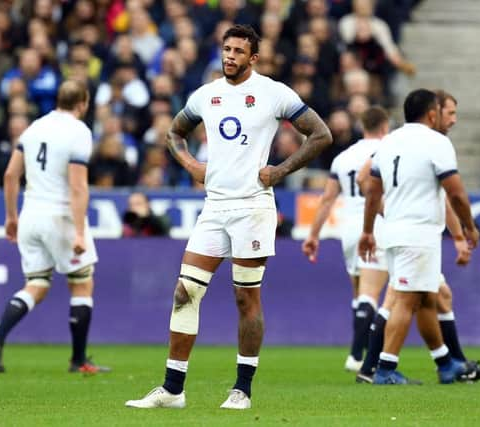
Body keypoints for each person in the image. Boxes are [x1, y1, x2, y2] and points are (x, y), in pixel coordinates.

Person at [125, 25, 331, 409]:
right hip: (215, 208)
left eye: (238, 51)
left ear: (254, 58)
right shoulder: (207, 95)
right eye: (226, 49)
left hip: (252, 207)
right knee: (185, 291)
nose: (230, 56)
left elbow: (321, 134)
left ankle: (242, 389)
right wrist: (191, 165)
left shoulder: (274, 93)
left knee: (244, 297)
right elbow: (174, 133)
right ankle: (172, 390)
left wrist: (280, 171)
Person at [355, 90, 480, 383]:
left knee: (428, 299)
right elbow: (455, 191)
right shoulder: (437, 142)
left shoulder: (390, 141)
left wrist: (369, 230)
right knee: (405, 301)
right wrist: (469, 226)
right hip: (418, 234)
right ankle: (384, 370)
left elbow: (372, 190)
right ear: (432, 114)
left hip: (395, 231)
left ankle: (446, 364)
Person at [0, 80, 109, 375]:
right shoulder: (79, 132)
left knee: (36, 284)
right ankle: (78, 361)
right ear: (84, 103)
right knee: (81, 282)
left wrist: (11, 216)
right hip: (59, 216)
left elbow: (11, 174)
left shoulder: (34, 127)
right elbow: (78, 186)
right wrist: (78, 231)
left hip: (30, 215)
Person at [302, 106, 390, 372]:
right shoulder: (389, 151)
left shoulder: (343, 157)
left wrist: (313, 235)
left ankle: (359, 354)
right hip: (377, 223)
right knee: (371, 294)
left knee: (358, 294)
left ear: (363, 126)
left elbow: (327, 198)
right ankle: (356, 355)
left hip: (349, 228)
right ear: (385, 127)